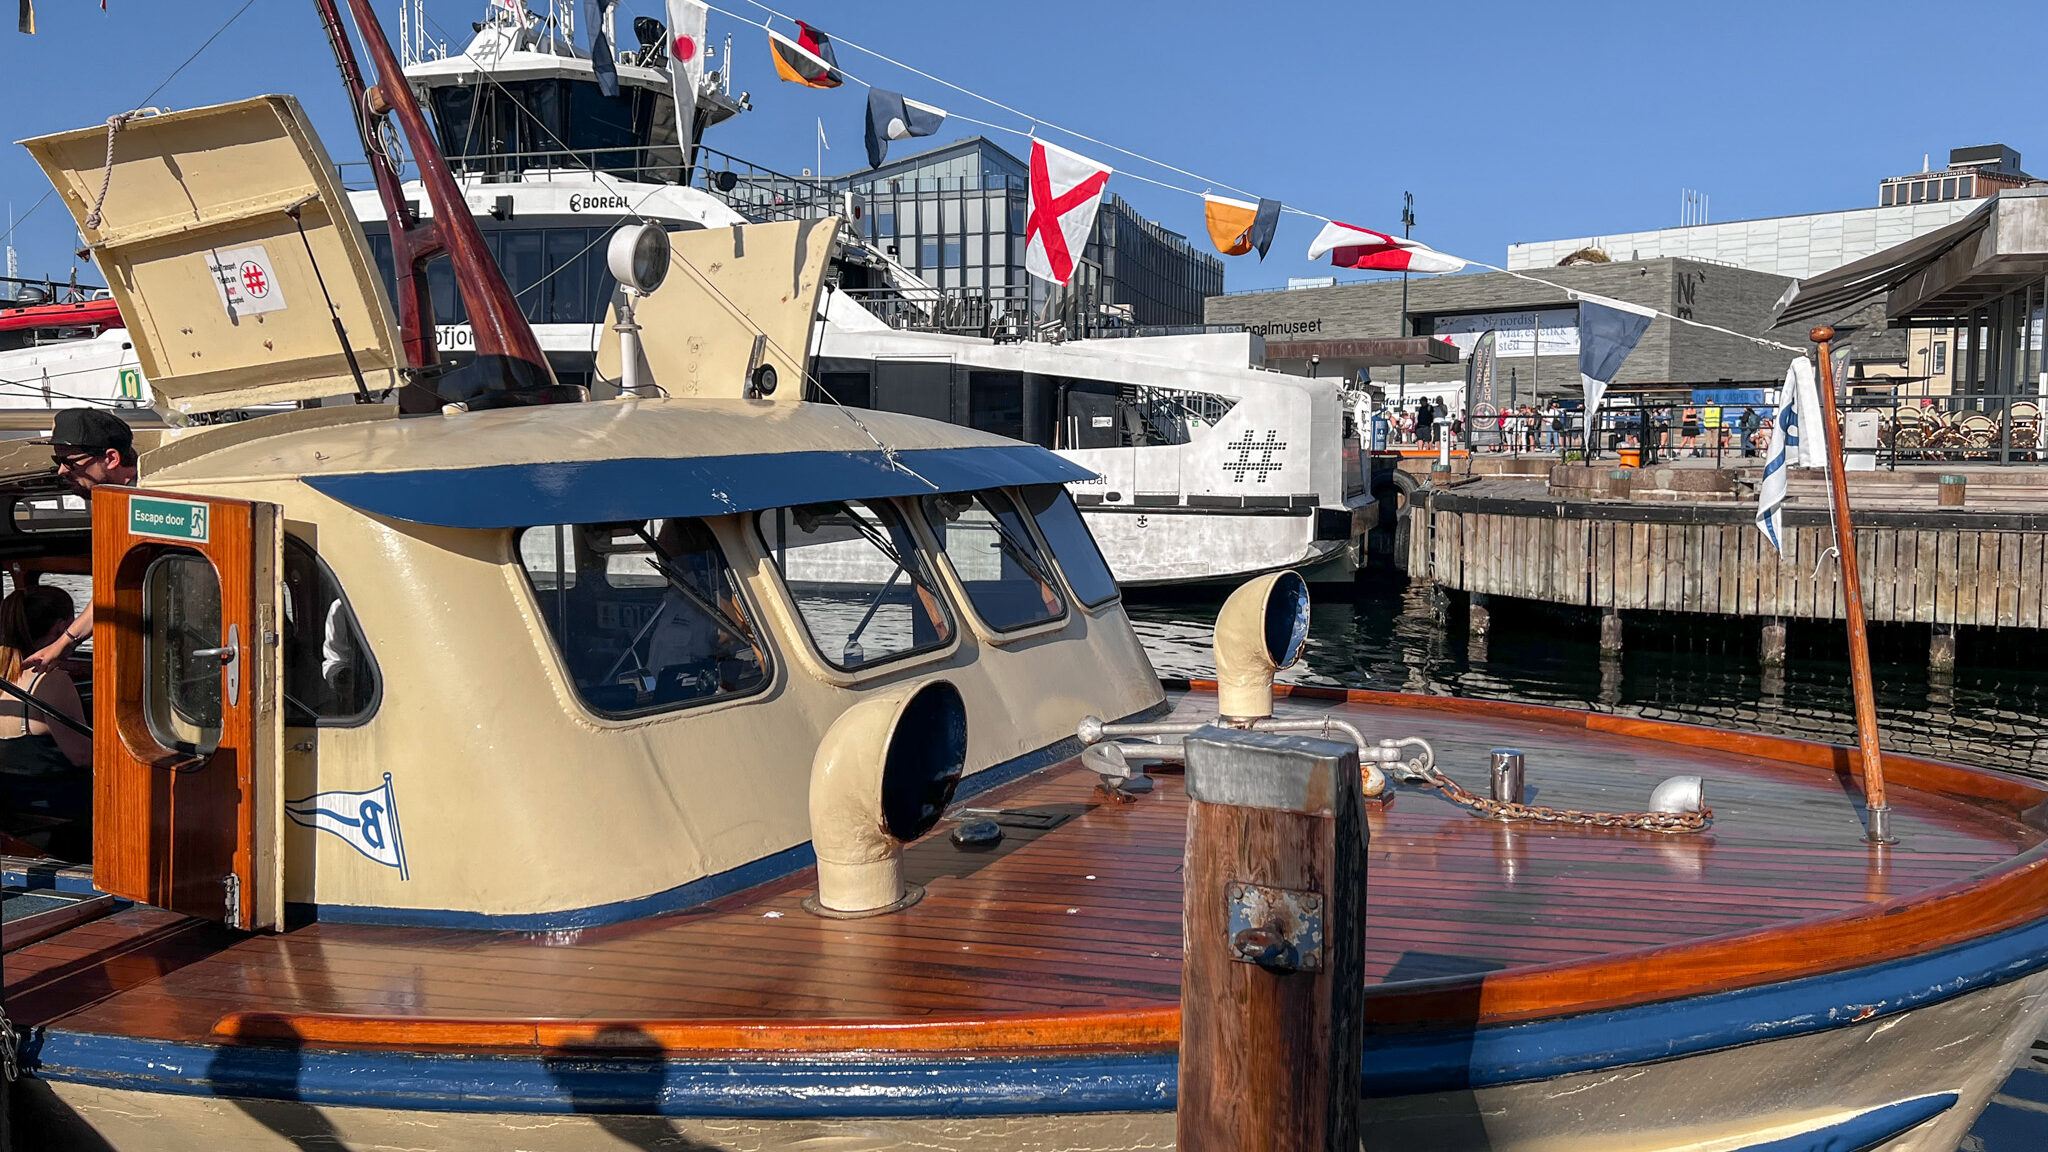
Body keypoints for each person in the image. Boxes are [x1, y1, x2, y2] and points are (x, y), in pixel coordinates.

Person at [24, 409, 138, 673]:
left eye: (70, 462)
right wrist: (63, 645)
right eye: (58, 459)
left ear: (111, 458)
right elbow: (110, 590)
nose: (61, 470)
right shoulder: (115, 502)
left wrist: (64, 643)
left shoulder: (150, 499)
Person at [0, 585, 93, 859]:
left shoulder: (6, 677)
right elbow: (82, 756)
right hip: (58, 815)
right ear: (62, 628)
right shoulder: (49, 680)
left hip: (11, 812)